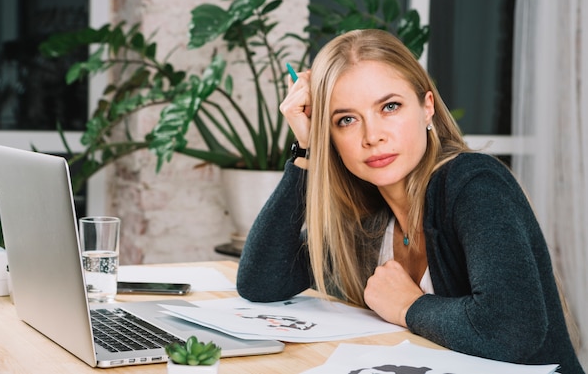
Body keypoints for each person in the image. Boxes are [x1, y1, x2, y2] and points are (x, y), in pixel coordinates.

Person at [236, 29, 584, 373]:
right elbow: (262, 281)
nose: (372, 136)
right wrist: (306, 152)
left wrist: (408, 305)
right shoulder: (368, 216)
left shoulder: (473, 184)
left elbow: (513, 330)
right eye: (346, 120)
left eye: (389, 107)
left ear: (427, 107)